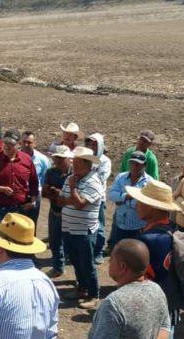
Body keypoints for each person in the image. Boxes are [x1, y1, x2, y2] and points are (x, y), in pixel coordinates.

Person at [125, 179, 183, 339]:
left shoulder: (150, 239)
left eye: (142, 201)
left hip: (149, 308)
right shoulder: (171, 230)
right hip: (168, 304)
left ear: (153, 207)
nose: (137, 204)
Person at [57, 146, 104, 310]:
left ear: (87, 164)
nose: (73, 164)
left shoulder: (94, 182)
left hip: (84, 231)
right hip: (69, 228)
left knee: (88, 264)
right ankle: (82, 289)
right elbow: (59, 201)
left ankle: (93, 295)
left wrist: (72, 189)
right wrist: (73, 197)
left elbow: (79, 204)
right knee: (77, 262)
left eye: (76, 162)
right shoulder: (72, 178)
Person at [0, 129, 39, 225]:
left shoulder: (27, 160)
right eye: (5, 142)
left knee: (18, 238)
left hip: (21, 209)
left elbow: (34, 182)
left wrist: (32, 202)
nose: (7, 146)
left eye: (11, 144)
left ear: (19, 144)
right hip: (0, 209)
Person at [108, 151, 152, 249]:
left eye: (138, 164)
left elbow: (144, 205)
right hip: (120, 224)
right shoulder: (121, 177)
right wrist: (127, 196)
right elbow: (111, 195)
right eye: (132, 163)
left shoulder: (150, 182)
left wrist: (121, 200)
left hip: (139, 227)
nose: (134, 166)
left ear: (144, 165)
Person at [42, 145, 73, 278]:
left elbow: (73, 196)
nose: (58, 161)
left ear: (67, 159)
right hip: (55, 211)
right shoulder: (50, 172)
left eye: (61, 158)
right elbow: (44, 192)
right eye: (56, 158)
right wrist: (52, 193)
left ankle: (75, 268)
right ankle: (58, 267)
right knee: (54, 241)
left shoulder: (74, 174)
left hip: (71, 214)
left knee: (71, 242)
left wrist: (58, 193)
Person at [84, 133, 112, 264]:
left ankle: (98, 251)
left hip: (98, 199)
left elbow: (100, 179)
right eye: (89, 144)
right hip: (83, 196)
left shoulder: (105, 161)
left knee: (99, 225)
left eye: (94, 144)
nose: (91, 146)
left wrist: (84, 178)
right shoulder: (84, 158)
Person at [20, 130, 51, 229]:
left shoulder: (42, 159)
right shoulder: (14, 156)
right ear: (20, 142)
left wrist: (38, 194)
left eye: (29, 142)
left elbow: (45, 179)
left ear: (34, 143)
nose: (26, 144)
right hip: (18, 195)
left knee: (31, 225)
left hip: (34, 195)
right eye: (24, 142)